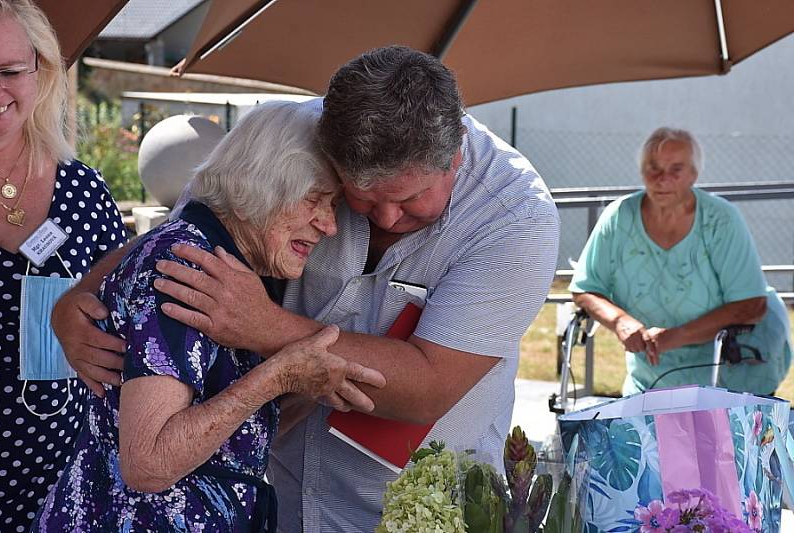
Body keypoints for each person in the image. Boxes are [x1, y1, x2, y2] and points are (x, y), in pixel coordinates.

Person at [53, 46, 560, 531]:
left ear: (455, 158)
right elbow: (199, 224)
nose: (384, 217)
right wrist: (78, 299)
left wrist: (264, 327)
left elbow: (428, 386)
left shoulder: (515, 217)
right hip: (283, 488)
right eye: (354, 196)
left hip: (423, 505)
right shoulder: (294, 133)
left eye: (409, 198)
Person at [32, 101, 386, 531]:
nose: (329, 225)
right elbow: (148, 463)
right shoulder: (184, 266)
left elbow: (240, 434)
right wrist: (277, 376)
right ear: (263, 185)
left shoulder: (230, 266)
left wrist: (308, 383)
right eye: (315, 200)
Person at [0, 1, 128, 530]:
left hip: (58, 486)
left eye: (8, 72)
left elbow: (127, 321)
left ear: (41, 71)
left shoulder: (83, 192)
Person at [570, 127, 792, 395]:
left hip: (730, 377)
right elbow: (585, 289)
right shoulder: (619, 218)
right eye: (653, 167)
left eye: (676, 169)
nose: (662, 179)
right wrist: (619, 321)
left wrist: (678, 336)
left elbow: (752, 305)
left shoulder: (720, 220)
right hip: (651, 378)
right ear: (641, 171)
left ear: (693, 175)